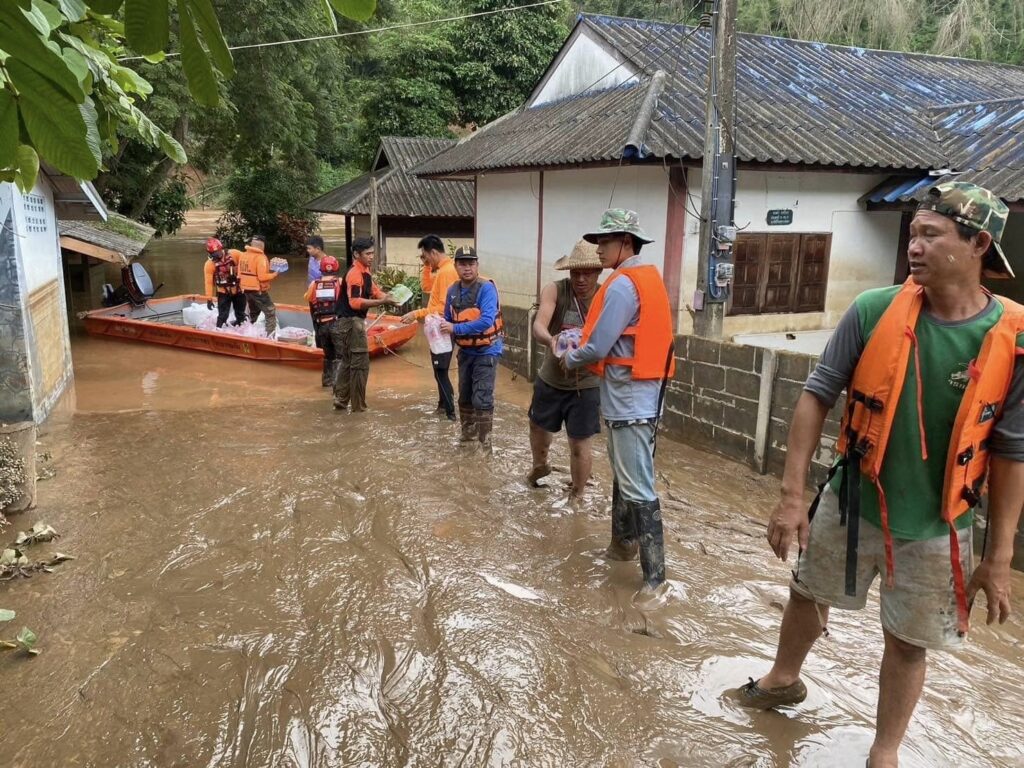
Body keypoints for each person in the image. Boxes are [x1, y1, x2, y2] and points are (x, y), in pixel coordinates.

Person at [740, 182, 1024, 768]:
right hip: (852, 501)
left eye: (930, 234)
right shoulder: (873, 309)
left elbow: (1012, 451)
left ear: (978, 245)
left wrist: (998, 556)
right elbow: (815, 395)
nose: (914, 246)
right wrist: (792, 497)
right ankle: (782, 678)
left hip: (936, 525)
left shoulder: (1015, 340)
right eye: (912, 233)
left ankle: (884, 752)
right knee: (805, 592)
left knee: (907, 642)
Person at [563, 209, 675, 610]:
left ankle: (655, 581)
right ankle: (621, 549)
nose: (599, 250)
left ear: (626, 242)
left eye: (605, 243)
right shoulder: (646, 278)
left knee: (638, 486)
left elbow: (597, 347)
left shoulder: (622, 286)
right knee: (627, 478)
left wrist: (570, 356)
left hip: (630, 400)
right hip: (642, 397)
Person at [527, 240, 604, 502]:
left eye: (588, 273)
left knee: (580, 442)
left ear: (598, 272)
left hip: (587, 384)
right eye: (575, 273)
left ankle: (578, 494)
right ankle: (540, 466)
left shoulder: (606, 297)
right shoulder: (556, 290)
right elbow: (539, 324)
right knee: (537, 426)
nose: (581, 279)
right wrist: (551, 341)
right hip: (551, 377)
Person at [440, 247, 503, 448]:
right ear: (456, 266)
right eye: (462, 264)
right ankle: (467, 439)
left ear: (477, 265)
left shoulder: (486, 288)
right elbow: (447, 322)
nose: (467, 268)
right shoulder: (452, 291)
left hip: (487, 350)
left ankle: (486, 445)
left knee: (482, 398)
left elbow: (486, 321)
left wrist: (454, 328)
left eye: (471, 263)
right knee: (465, 397)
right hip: (465, 352)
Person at [400, 234, 460, 420]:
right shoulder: (442, 270)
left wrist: (415, 314)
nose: (425, 260)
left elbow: (443, 307)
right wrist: (426, 266)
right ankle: (442, 408)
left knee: (441, 371)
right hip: (438, 329)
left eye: (425, 256)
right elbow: (427, 288)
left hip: (443, 327)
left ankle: (450, 415)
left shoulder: (447, 271)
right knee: (438, 370)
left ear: (433, 252)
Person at [333, 237, 396, 412]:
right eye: (367, 254)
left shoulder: (365, 272)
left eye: (372, 253)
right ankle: (358, 408)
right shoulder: (354, 274)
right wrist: (382, 302)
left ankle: (341, 399)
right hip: (352, 322)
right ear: (356, 254)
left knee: (348, 361)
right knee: (360, 364)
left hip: (348, 322)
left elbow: (375, 291)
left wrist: (390, 298)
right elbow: (354, 302)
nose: (371, 257)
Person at [303, 255, 343, 387]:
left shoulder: (313, 285)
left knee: (328, 356)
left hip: (322, 326)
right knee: (340, 356)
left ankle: (327, 382)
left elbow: (307, 298)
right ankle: (339, 388)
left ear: (321, 269)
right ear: (336, 267)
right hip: (337, 325)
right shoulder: (340, 282)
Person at [238, 235, 278, 335]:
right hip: (258, 290)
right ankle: (270, 335)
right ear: (262, 246)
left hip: (246, 289)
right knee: (270, 312)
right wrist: (275, 274)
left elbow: (239, 274)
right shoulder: (260, 258)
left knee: (254, 311)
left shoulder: (243, 255)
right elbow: (262, 277)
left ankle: (251, 330)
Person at [202, 237, 245, 328]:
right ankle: (219, 330)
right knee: (222, 315)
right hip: (223, 292)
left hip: (238, 290)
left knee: (240, 314)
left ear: (221, 249)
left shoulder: (234, 254)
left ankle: (241, 328)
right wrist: (209, 299)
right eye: (211, 253)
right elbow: (208, 282)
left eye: (215, 253)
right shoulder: (209, 264)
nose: (213, 256)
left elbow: (247, 261)